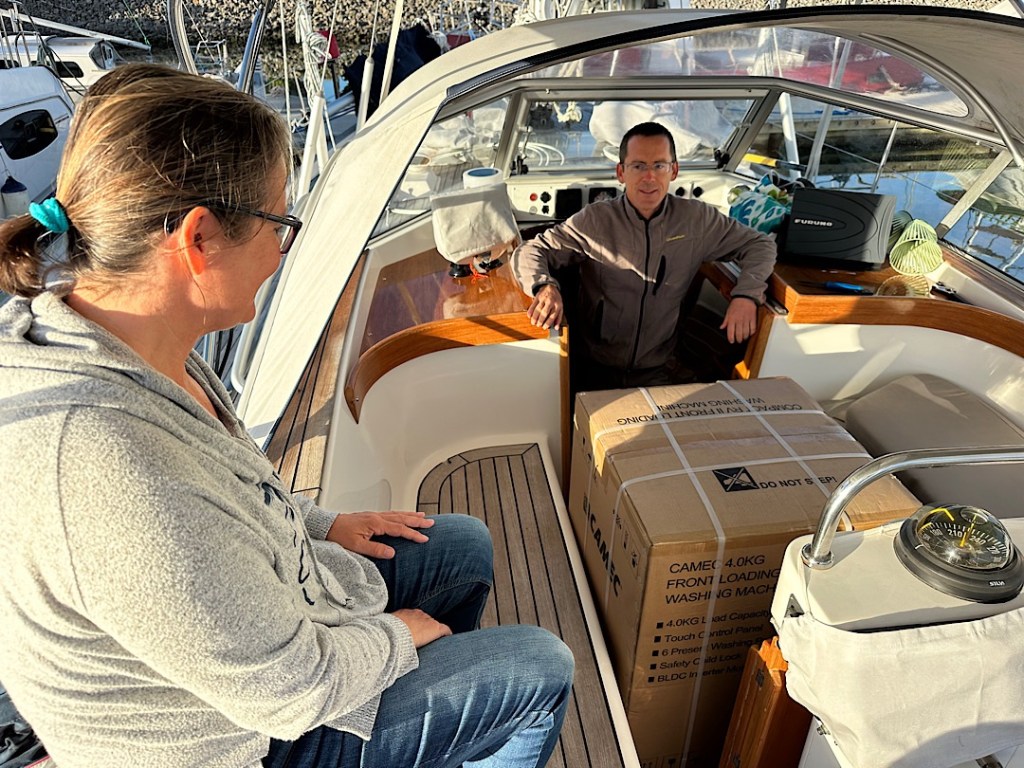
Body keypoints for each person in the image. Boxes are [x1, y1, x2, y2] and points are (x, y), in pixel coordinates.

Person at [0, 64, 573, 768]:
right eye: (280, 223)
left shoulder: (131, 344)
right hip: (235, 741)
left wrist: (320, 525)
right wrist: (398, 638)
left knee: (461, 547)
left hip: (273, 630)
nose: (282, 247)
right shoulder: (107, 470)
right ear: (199, 239)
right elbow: (291, 692)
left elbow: (222, 496)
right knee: (538, 669)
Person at [512, 121, 777, 390]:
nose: (649, 177)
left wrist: (746, 295)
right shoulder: (595, 221)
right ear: (621, 172)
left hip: (658, 369)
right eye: (638, 166)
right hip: (592, 368)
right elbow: (530, 250)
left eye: (659, 165)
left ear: (674, 170)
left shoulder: (697, 220)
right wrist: (544, 286)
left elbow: (759, 245)